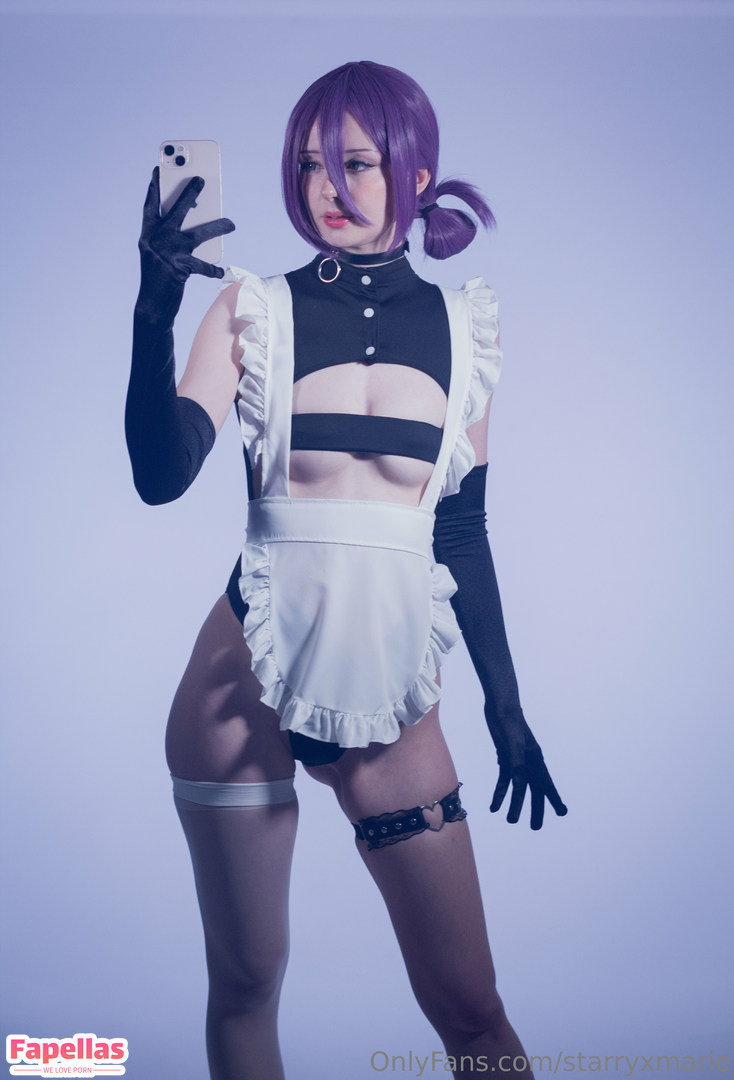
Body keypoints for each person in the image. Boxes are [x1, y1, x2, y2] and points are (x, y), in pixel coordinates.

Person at [126, 60, 567, 1080]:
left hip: (388, 684)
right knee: (246, 987)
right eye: (309, 166)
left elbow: (461, 531)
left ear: (415, 174)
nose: (327, 186)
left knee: (471, 1011)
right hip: (237, 686)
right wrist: (153, 311)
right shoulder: (249, 309)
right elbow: (159, 476)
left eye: (355, 163)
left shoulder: (465, 329)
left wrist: (505, 709)